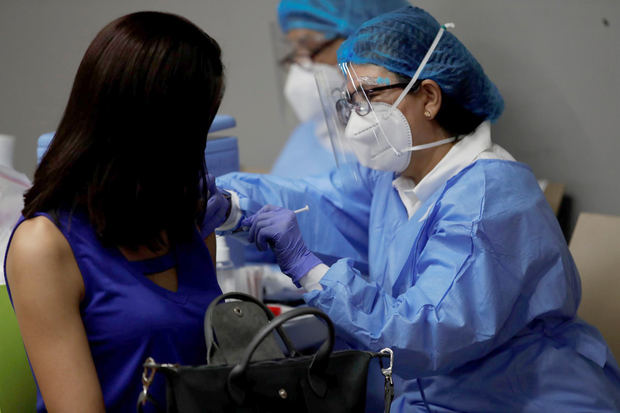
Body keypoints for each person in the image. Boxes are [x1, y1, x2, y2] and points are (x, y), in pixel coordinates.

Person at [213, 6, 620, 412]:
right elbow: (319, 202)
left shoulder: (489, 200)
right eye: (351, 102)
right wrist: (228, 202)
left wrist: (310, 270)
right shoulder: (393, 178)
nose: (358, 119)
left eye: (370, 97)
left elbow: (423, 333)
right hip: (437, 394)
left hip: (525, 397)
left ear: (428, 97)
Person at [4, 12, 226, 412]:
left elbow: (209, 373)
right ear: (153, 127)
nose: (197, 148)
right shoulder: (45, 246)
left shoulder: (187, 221)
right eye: (194, 128)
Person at [271, 0, 410, 178]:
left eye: (312, 48)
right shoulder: (310, 134)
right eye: (296, 52)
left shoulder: (405, 146)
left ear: (372, 39)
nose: (301, 67)